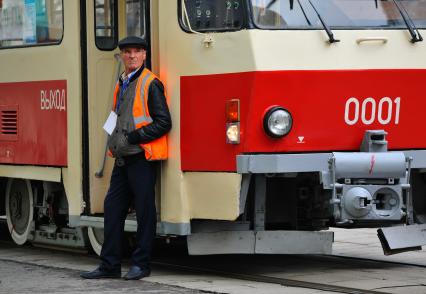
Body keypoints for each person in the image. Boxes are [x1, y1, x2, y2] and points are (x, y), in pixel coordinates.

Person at [81, 36, 172, 280]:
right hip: (122, 160)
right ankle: (109, 265)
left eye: (136, 52)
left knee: (144, 213)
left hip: (141, 158)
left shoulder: (150, 83)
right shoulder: (123, 81)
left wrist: (133, 138)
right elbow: (117, 115)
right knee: (112, 210)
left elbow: (164, 122)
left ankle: (141, 265)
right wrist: (113, 142)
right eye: (127, 52)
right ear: (122, 56)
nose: (131, 56)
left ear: (144, 56)